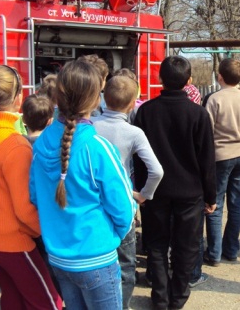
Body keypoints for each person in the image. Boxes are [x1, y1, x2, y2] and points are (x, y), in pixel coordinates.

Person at [29, 60, 135, 309]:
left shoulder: (41, 142)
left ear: (56, 96)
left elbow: (35, 196)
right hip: (96, 258)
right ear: (96, 99)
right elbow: (124, 209)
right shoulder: (97, 148)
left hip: (58, 257)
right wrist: (112, 238)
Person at [0, 64, 62, 309]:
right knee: (49, 302)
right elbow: (24, 209)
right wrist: (49, 233)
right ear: (18, 98)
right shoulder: (16, 147)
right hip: (14, 239)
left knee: (13, 298)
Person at [133, 55, 216, 310]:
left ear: (161, 79)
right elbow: (207, 160)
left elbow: (138, 157)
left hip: (155, 191)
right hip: (190, 193)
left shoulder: (146, 111)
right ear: (188, 81)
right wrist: (211, 197)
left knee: (156, 246)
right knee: (186, 247)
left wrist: (141, 191)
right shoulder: (198, 114)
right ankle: (178, 297)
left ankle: (160, 298)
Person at [92, 74, 164, 310]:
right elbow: (156, 171)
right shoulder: (134, 133)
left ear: (104, 98)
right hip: (123, 203)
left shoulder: (89, 127)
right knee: (125, 264)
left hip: (93, 204)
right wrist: (144, 195)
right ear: (133, 102)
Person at [204, 58, 240, 266]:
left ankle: (214, 253)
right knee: (237, 205)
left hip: (220, 156)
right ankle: (232, 250)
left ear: (219, 77)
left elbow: (207, 133)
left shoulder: (214, 100)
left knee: (214, 205)